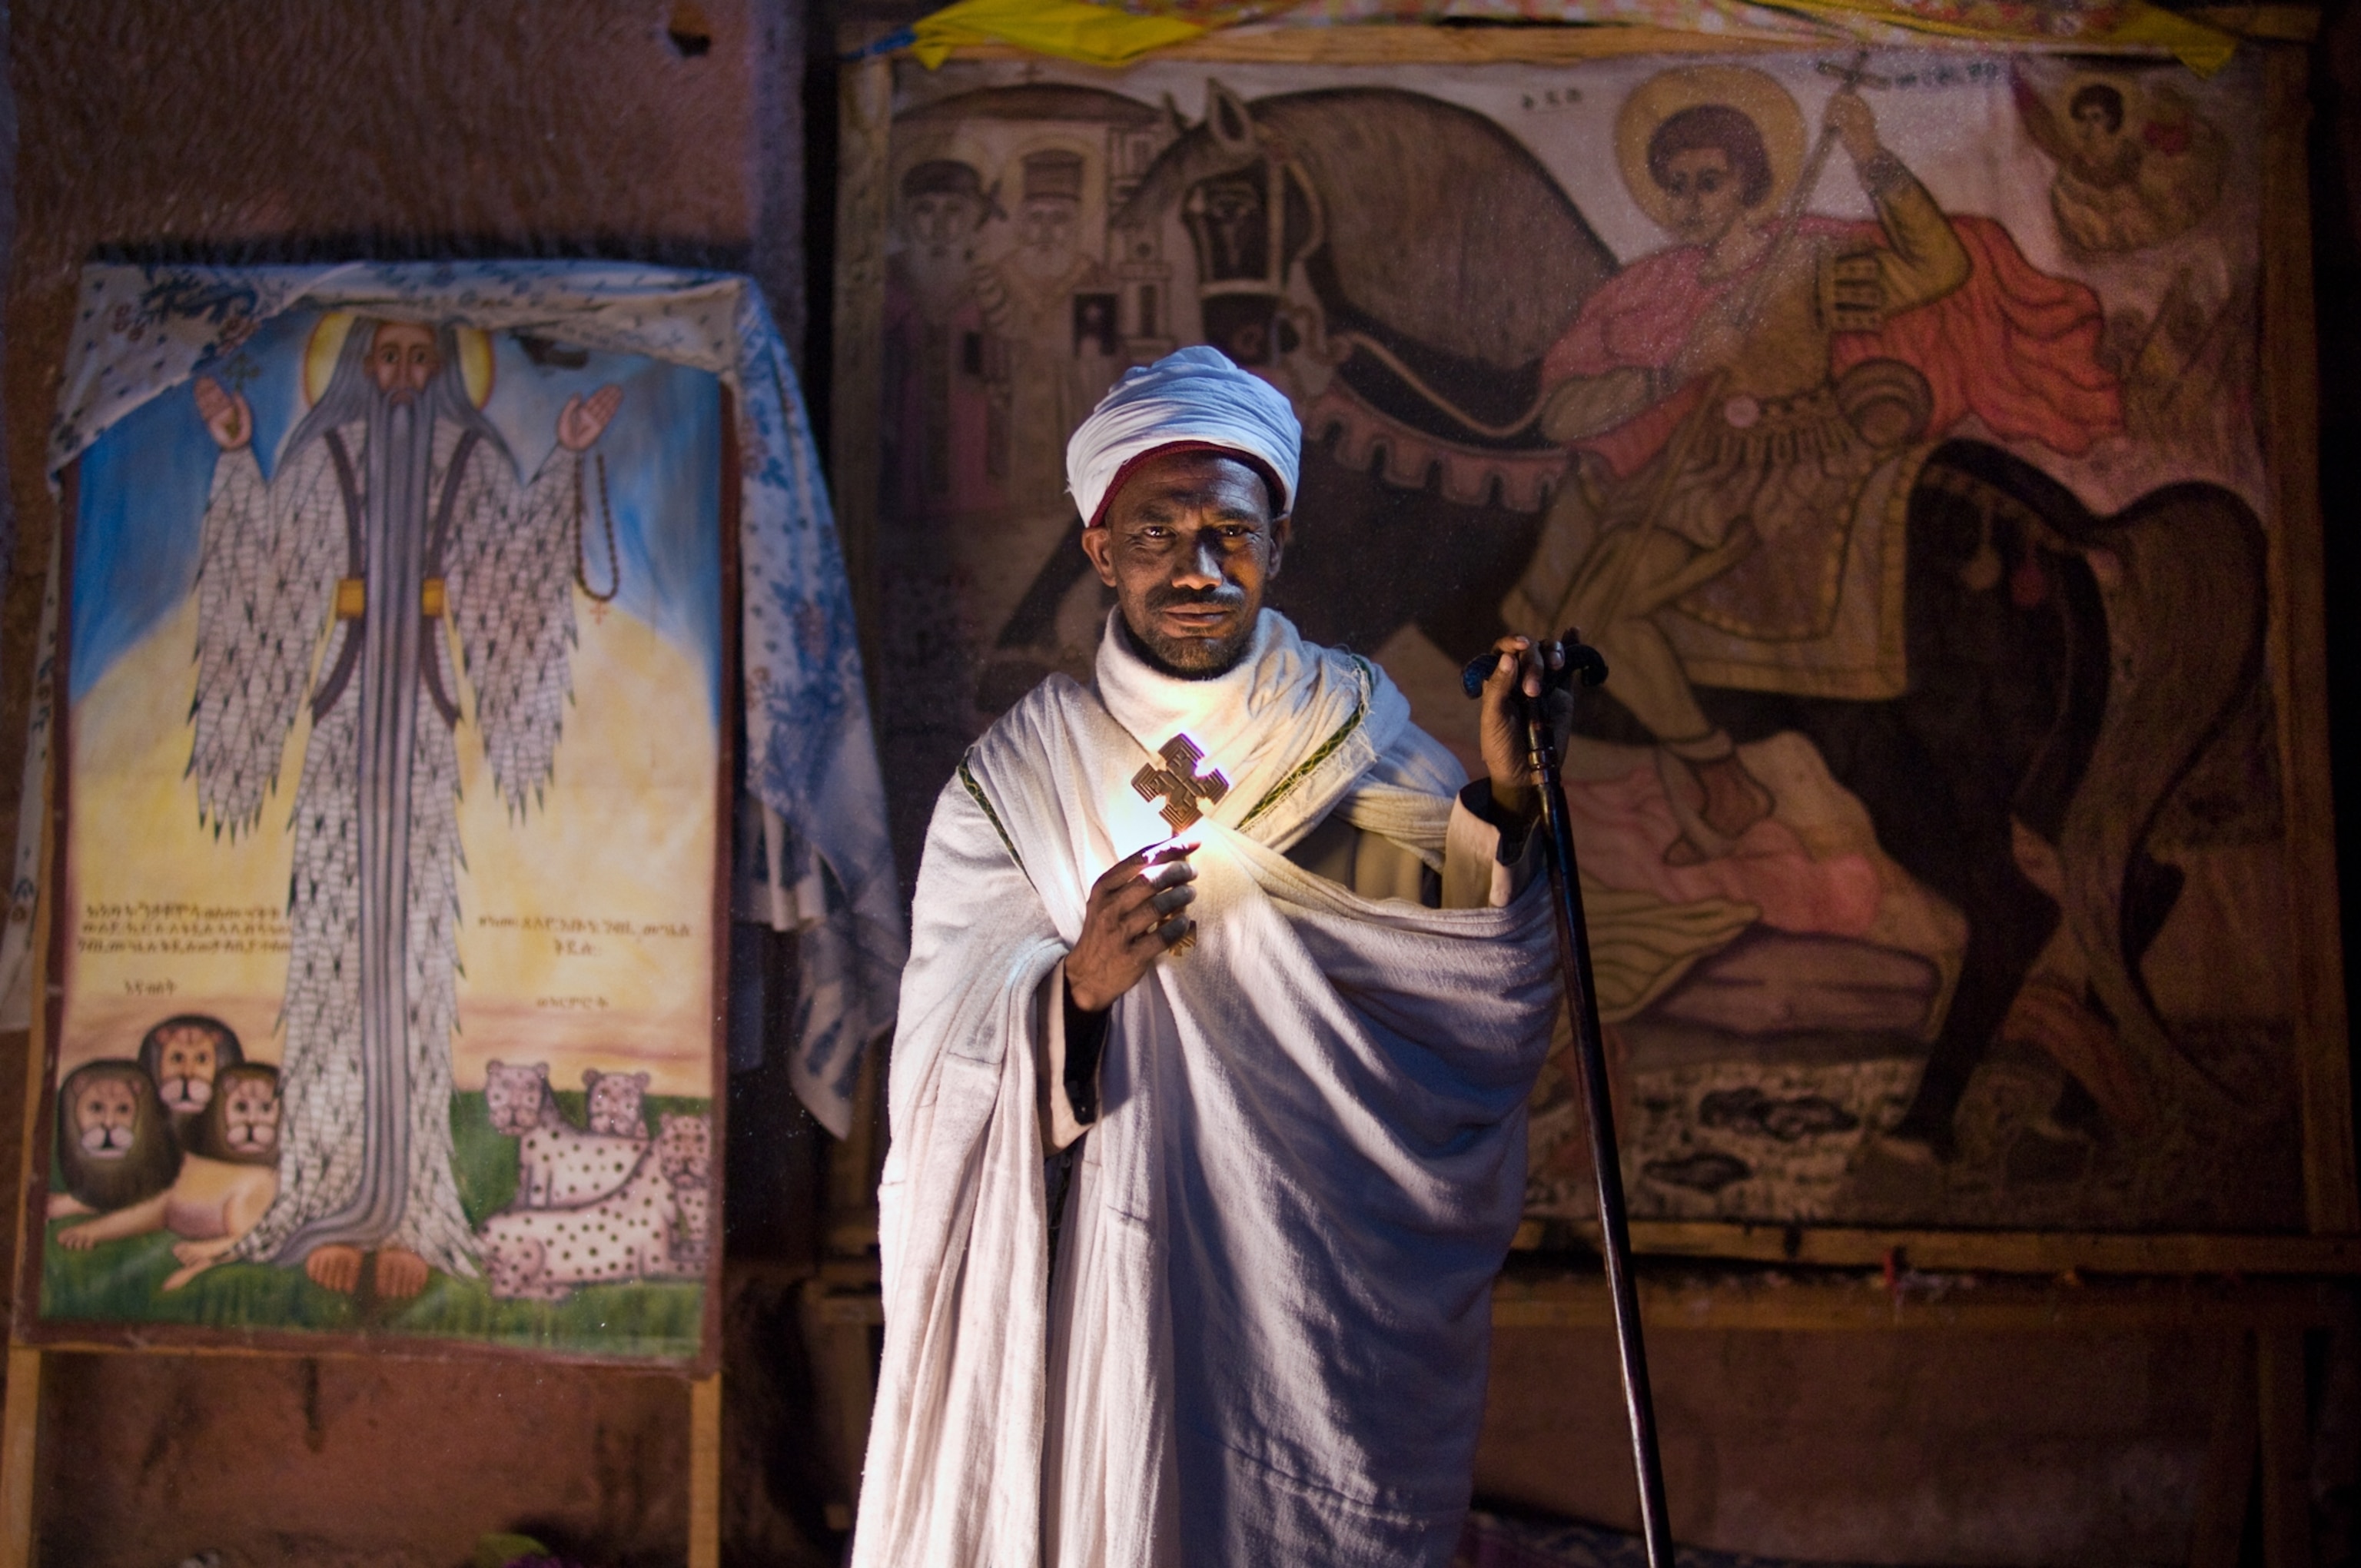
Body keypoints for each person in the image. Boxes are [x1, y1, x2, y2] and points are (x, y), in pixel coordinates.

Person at [855, 347, 1565, 1566]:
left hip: (1306, 1273)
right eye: (1154, 533)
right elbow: (936, 1086)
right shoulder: (1016, 787)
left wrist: (1502, 793)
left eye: (1227, 534)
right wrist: (1069, 995)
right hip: (1112, 1284)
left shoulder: (1333, 740)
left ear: (1278, 540)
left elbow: (1449, 945)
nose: (1193, 569)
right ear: (1099, 549)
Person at [1503, 68, 2118, 863]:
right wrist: (1675, 367)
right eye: (1677, 185)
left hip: (1804, 467)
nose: (1692, 201)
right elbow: (1565, 410)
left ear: (1748, 182)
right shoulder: (1652, 292)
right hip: (1703, 475)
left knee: (1614, 616)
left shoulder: (1808, 258)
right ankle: (1719, 778)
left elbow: (1938, 268)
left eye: (1710, 181)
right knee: (1595, 614)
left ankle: (1725, 782)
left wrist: (1871, 155)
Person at [189, 317, 621, 1297]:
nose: (402, 373)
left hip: (423, 738)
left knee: (417, 959)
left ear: (441, 372)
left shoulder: (467, 456)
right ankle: (331, 1197)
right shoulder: (325, 452)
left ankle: (414, 1211)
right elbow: (263, 563)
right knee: (335, 953)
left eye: (420, 357)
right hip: (344, 733)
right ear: (355, 366)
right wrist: (232, 461)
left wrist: (565, 458)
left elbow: (510, 567)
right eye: (385, 356)